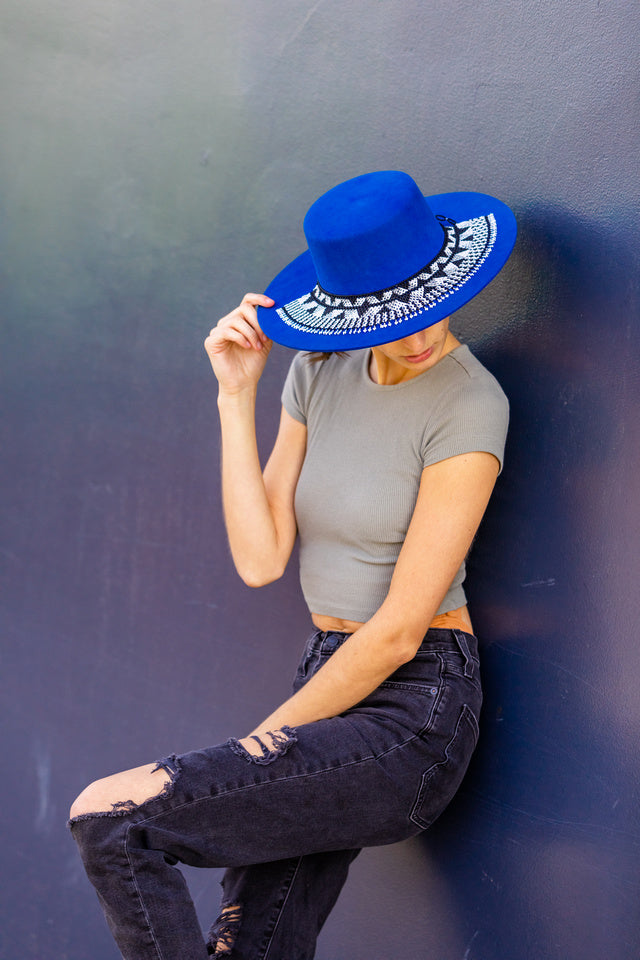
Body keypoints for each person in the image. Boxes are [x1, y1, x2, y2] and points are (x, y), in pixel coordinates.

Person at [69, 170, 516, 959]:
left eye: (429, 307)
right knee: (251, 944)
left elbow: (400, 632)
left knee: (112, 815)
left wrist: (259, 746)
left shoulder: (470, 403)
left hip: (412, 709)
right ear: (351, 309)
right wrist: (235, 397)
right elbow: (260, 555)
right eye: (392, 315)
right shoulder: (318, 372)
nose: (418, 335)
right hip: (325, 679)